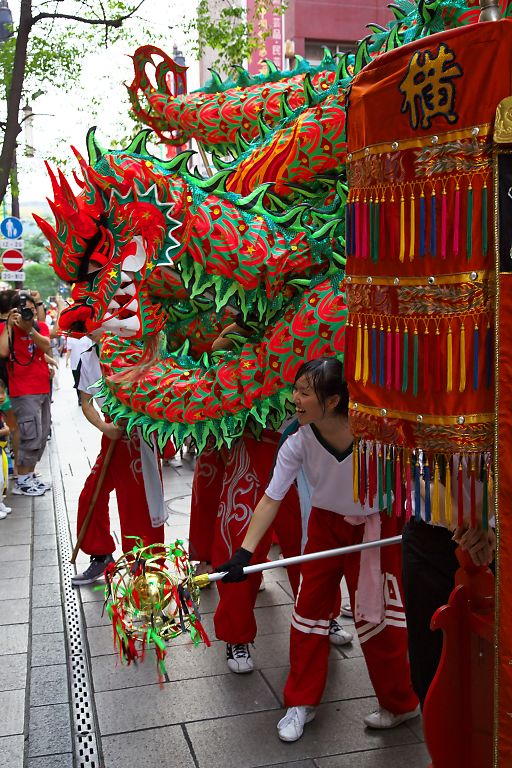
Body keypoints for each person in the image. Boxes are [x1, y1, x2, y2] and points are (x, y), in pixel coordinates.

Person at [217, 357, 419, 741]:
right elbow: (271, 498)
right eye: (296, 389)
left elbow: (410, 477)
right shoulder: (298, 438)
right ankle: (300, 703)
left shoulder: (379, 432)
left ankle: (401, 704)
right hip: (326, 528)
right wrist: (244, 553)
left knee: (381, 621)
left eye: (305, 392)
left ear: (333, 400)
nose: (294, 398)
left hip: (376, 530)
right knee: (307, 614)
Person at [71, 334, 167, 585]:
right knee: (90, 494)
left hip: (140, 435)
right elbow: (86, 402)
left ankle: (147, 565)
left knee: (136, 503)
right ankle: (101, 554)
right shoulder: (87, 357)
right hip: (113, 435)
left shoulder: (134, 348)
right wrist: (105, 428)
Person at [401, 461, 495, 708]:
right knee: (431, 656)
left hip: (497, 529)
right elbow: (420, 470)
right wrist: (468, 530)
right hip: (431, 536)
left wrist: (484, 515)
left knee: (497, 658)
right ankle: (440, 739)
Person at [0, 292, 51, 496]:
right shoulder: (6, 328)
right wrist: (10, 327)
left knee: (41, 434)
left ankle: (29, 476)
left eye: (29, 309)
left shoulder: (35, 327)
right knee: (30, 436)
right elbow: (3, 352)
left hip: (42, 387)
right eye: (22, 310)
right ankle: (22, 480)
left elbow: (46, 345)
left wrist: (30, 330)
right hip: (22, 390)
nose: (25, 313)